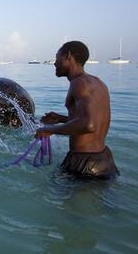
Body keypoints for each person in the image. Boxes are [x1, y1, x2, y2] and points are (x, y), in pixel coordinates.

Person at [35, 41, 119, 179]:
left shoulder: (78, 83)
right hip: (104, 158)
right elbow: (94, 120)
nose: (55, 63)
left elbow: (88, 125)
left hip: (84, 161)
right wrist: (61, 119)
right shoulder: (98, 82)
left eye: (57, 58)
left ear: (68, 56)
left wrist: (49, 130)